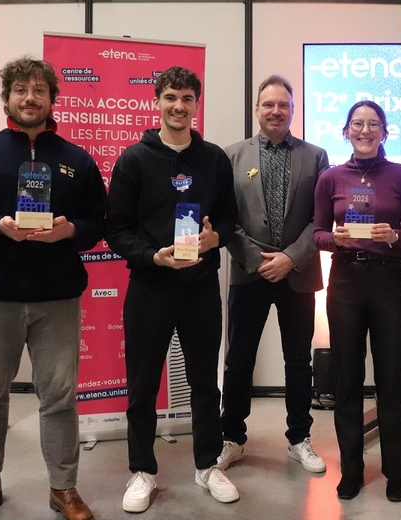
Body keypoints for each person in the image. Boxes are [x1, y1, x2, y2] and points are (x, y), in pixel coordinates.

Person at [0, 56, 107, 520]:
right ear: (7, 98)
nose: (30, 98)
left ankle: (63, 488)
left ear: (52, 100)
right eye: (21, 90)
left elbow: (99, 222)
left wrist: (70, 231)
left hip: (57, 299)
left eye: (39, 90)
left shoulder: (76, 160)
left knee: (60, 397)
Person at [105, 66, 240, 513]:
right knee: (142, 386)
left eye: (186, 98)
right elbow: (116, 229)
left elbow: (228, 219)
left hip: (200, 287)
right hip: (150, 287)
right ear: (156, 102)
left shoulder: (214, 159)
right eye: (170, 97)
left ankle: (207, 465)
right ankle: (142, 471)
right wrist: (152, 256)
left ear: (196, 104)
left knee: (204, 383)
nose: (178, 106)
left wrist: (216, 238)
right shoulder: (133, 160)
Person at [313, 100, 401, 502]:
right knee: (347, 380)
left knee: (392, 380)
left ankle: (396, 471)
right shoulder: (330, 178)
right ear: (346, 131)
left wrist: (395, 236)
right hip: (345, 280)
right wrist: (335, 239)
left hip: (389, 279)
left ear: (384, 132)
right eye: (357, 124)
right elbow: (318, 234)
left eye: (373, 124)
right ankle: (352, 470)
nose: (365, 130)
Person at [218, 75, 330, 474]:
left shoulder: (316, 157)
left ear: (293, 110)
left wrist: (290, 258)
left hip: (298, 275)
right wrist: (259, 260)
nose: (276, 111)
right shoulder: (231, 156)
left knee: (298, 361)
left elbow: (321, 218)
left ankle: (299, 438)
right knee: (239, 360)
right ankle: (232, 437)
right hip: (250, 274)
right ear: (257, 109)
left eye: (283, 105)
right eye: (268, 104)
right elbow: (226, 219)